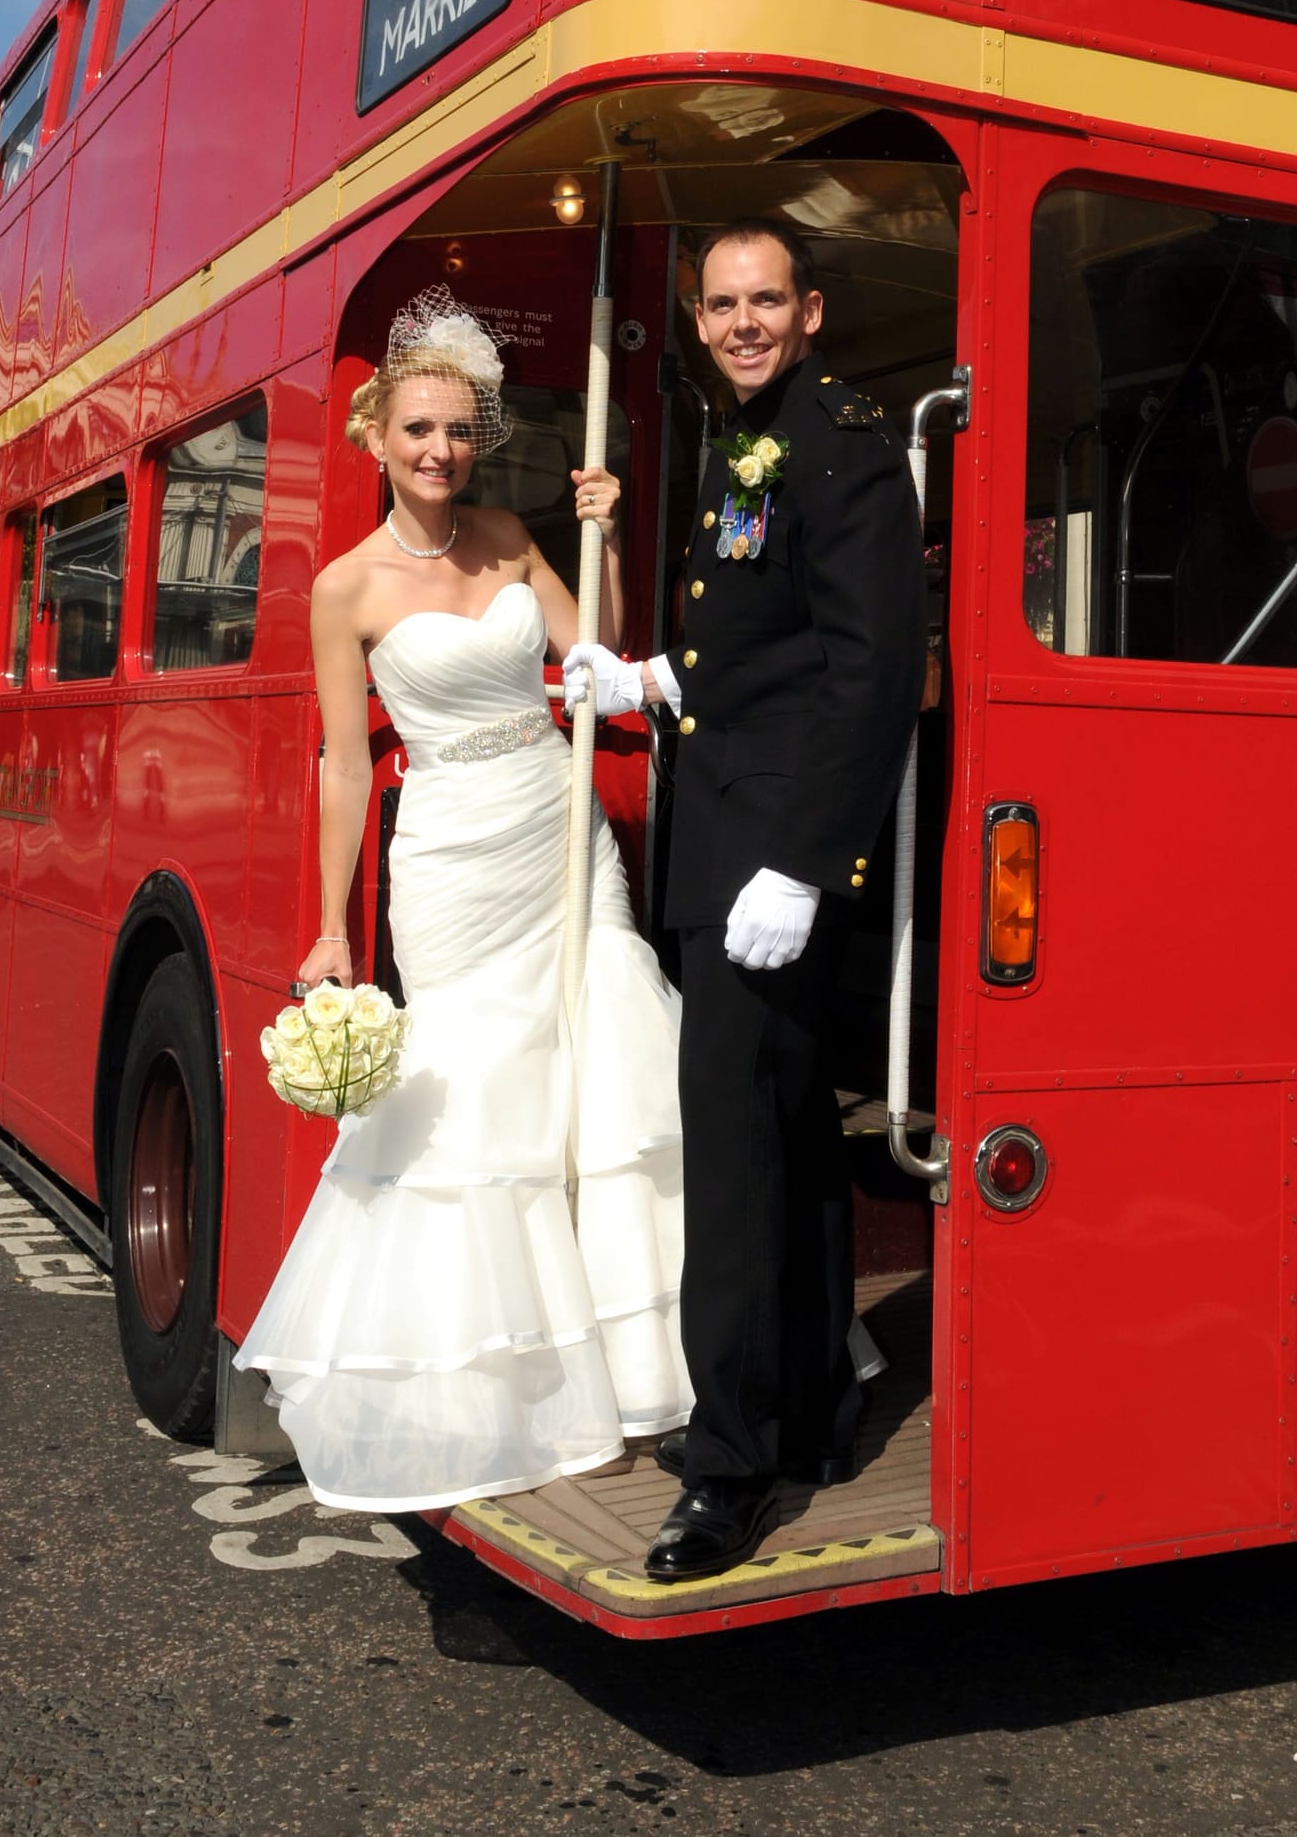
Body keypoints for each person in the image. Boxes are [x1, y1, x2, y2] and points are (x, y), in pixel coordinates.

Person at [235, 290, 690, 1511]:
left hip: (558, 825)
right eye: (418, 431)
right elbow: (342, 762)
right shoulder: (345, 588)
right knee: (476, 1097)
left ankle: (637, 1368)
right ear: (376, 435)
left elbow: (596, 662)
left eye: (457, 431)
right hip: (447, 854)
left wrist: (597, 539)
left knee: (608, 1060)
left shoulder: (505, 533)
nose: (440, 452)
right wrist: (334, 928)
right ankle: (481, 1390)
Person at [565, 220, 927, 1580]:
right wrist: (657, 678)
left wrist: (808, 856)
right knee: (783, 1138)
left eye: (765, 298)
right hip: (727, 837)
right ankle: (816, 1412)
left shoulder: (838, 441)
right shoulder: (744, 432)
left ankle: (722, 1470)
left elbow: (871, 668)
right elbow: (755, 650)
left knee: (729, 1160)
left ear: (812, 308)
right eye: (720, 302)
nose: (741, 319)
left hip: (772, 861)